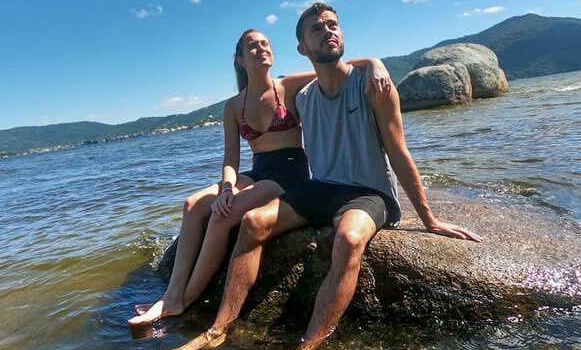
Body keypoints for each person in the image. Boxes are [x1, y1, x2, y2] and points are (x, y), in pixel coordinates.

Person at [158, 3, 481, 350]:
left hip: (369, 193)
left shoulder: (372, 85)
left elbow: (399, 151)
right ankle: (219, 327)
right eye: (317, 28)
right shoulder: (304, 98)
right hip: (320, 191)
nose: (328, 31)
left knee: (348, 239)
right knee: (254, 223)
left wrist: (429, 218)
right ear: (303, 45)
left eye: (333, 25)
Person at [128, 28, 392, 326]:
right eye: (252, 46)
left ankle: (185, 299)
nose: (261, 49)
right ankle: (172, 294)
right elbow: (231, 158)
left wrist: (372, 62)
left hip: (289, 172)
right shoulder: (233, 106)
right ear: (240, 59)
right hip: (257, 169)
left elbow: (334, 66)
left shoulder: (289, 85)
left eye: (265, 44)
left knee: (221, 217)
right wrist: (228, 187)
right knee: (193, 204)